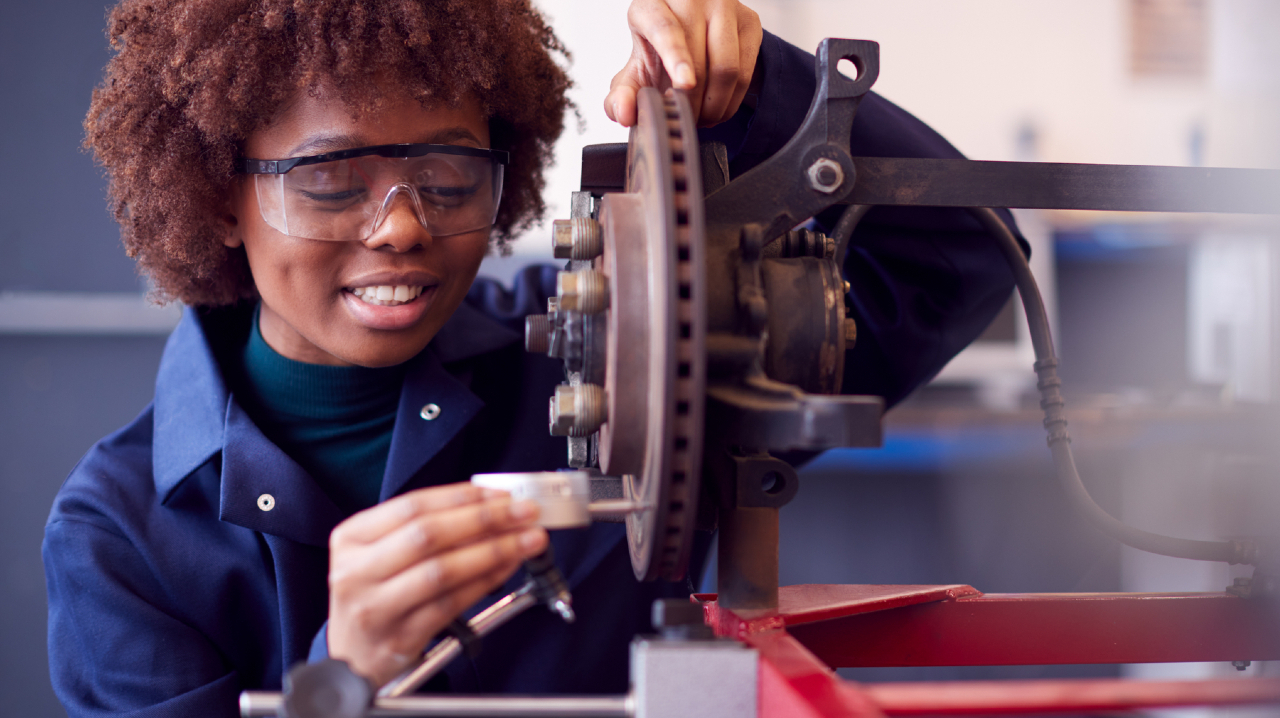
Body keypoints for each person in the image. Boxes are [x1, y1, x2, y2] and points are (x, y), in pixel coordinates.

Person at [43, 0, 1021, 715]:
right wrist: (339, 677)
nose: (401, 228)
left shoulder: (614, 350)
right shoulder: (116, 536)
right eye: (333, 178)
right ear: (220, 196)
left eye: (447, 173)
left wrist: (763, 82)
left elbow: (962, 259)